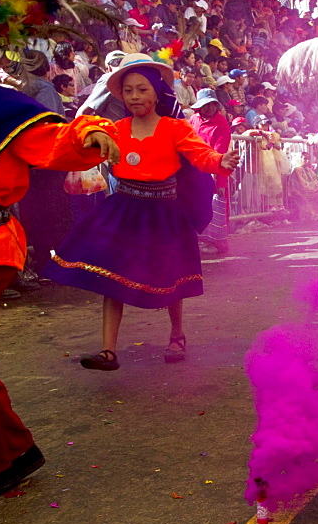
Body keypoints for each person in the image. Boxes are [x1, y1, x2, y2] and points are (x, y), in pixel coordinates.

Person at [0, 26, 120, 501]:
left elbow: (60, 143)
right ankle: (9, 454)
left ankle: (6, 457)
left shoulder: (3, 109)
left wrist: (92, 131)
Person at [44, 54, 240, 371]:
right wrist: (90, 132)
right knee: (111, 276)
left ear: (156, 93)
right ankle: (108, 351)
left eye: (143, 90)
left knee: (170, 277)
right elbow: (78, 133)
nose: (135, 96)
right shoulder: (114, 129)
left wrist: (221, 162)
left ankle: (177, 334)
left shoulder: (175, 128)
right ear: (121, 95)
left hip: (164, 213)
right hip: (124, 210)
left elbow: (201, 155)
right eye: (130, 90)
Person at [189, 89, 232, 254]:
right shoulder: (193, 119)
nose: (209, 108)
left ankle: (217, 243)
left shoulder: (221, 123)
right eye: (205, 105)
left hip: (214, 169)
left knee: (217, 205)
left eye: (212, 105)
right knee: (197, 207)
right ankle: (200, 241)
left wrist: (220, 181)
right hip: (195, 170)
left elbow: (221, 153)